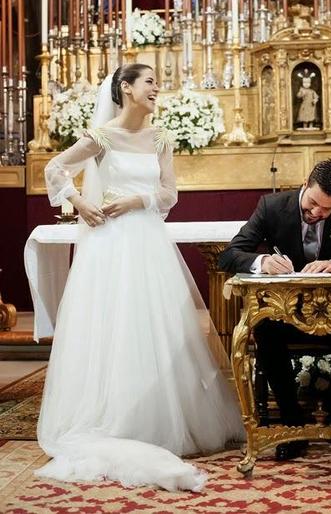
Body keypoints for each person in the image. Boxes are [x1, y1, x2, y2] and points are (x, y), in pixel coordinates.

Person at [36, 63, 244, 490]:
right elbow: (54, 169)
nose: (156, 89)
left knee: (156, 327)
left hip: (149, 243)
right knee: (114, 327)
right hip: (110, 248)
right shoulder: (103, 136)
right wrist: (78, 201)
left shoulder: (162, 138)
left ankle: (160, 416)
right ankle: (113, 415)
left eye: (156, 83)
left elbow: (170, 193)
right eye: (149, 82)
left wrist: (135, 200)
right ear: (126, 88)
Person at [219, 159, 331, 461]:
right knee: (265, 333)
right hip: (286, 313)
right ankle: (293, 423)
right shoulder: (271, 206)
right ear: (305, 184)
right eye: (313, 203)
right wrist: (262, 262)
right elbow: (229, 255)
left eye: (327, 209)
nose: (317, 213)